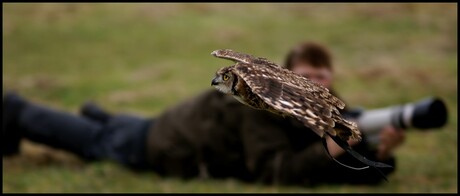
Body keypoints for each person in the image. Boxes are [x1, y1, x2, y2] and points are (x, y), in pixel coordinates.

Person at [2, 41, 405, 187]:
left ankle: (100, 114)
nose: (317, 82)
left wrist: (381, 154)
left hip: (167, 123)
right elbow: (276, 171)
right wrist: (332, 152)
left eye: (323, 75)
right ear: (287, 76)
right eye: (308, 75)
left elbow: (344, 165)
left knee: (117, 125)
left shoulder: (321, 107)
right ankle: (15, 109)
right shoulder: (262, 106)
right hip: (163, 144)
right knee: (97, 143)